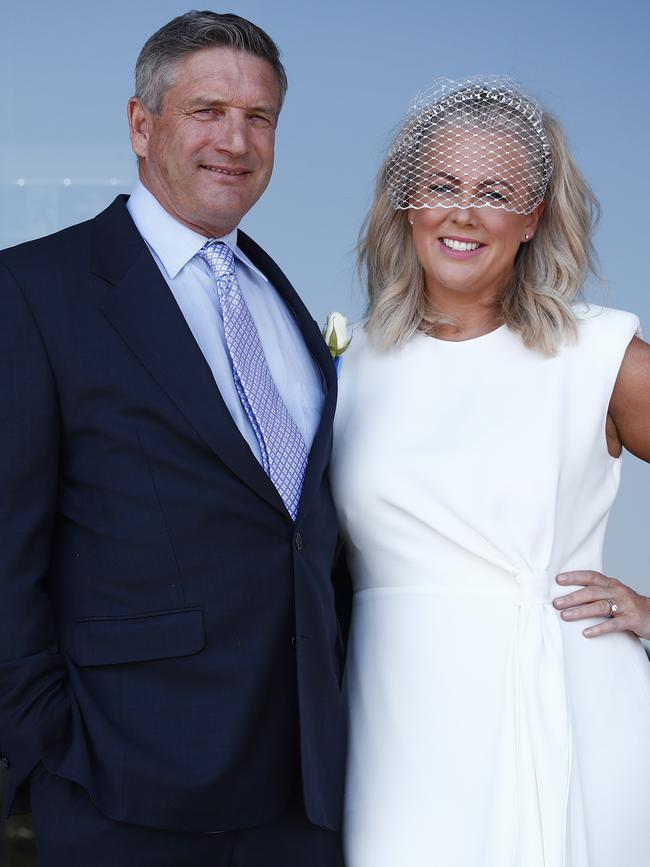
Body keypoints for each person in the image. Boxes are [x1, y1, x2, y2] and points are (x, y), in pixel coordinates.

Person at [0, 11, 344, 867]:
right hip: (124, 789)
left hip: (303, 793)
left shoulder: (284, 302)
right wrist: (53, 747)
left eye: (258, 118)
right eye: (207, 110)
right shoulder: (34, 291)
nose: (236, 139)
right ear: (140, 124)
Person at [330, 76, 650, 867]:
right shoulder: (345, 368)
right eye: (441, 185)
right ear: (407, 203)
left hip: (570, 701)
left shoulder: (598, 355)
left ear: (533, 215)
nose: (463, 212)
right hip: (393, 725)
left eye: (495, 191)